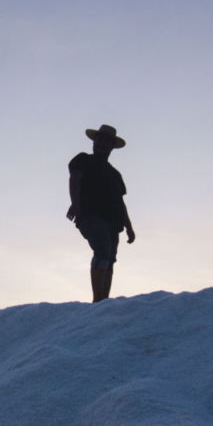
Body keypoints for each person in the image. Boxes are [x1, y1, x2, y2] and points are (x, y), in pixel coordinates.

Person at [66, 124, 135, 302]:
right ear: (94, 141)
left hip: (113, 222)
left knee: (110, 257)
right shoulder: (83, 160)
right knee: (103, 249)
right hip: (91, 215)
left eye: (107, 141)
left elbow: (120, 202)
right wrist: (75, 203)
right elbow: (75, 179)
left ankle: (104, 301)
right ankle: (98, 299)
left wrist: (129, 226)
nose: (102, 143)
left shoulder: (114, 174)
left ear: (112, 146)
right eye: (100, 139)